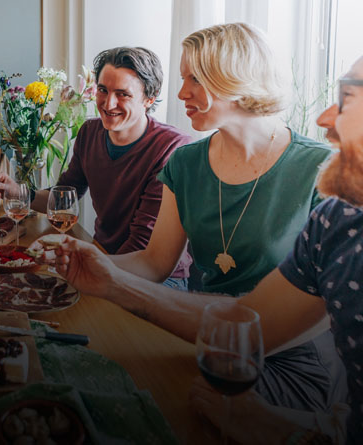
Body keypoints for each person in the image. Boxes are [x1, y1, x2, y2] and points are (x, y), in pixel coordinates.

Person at [39, 55, 363, 444]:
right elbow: (246, 318)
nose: (327, 116)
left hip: (280, 359)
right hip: (212, 334)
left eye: (347, 97)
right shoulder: (340, 221)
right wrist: (109, 281)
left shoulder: (318, 175)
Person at [0, 46, 193, 289]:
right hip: (102, 255)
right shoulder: (90, 132)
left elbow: (142, 249)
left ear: (149, 98)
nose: (108, 103)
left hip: (158, 278)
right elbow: (64, 197)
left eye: (123, 94)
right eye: (103, 90)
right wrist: (18, 192)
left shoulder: (171, 148)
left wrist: (83, 266)